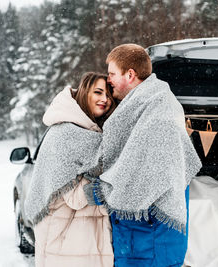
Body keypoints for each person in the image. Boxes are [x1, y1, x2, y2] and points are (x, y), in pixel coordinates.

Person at [84, 44, 202, 267]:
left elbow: (141, 176)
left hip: (150, 245)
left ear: (130, 74)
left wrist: (97, 192)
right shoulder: (145, 107)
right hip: (140, 240)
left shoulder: (159, 114)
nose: (108, 80)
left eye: (111, 74)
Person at [24, 72, 116, 267]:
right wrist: (114, 185)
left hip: (81, 239)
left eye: (108, 94)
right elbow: (76, 197)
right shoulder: (65, 133)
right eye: (98, 92)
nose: (104, 99)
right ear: (83, 93)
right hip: (66, 241)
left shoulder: (92, 132)